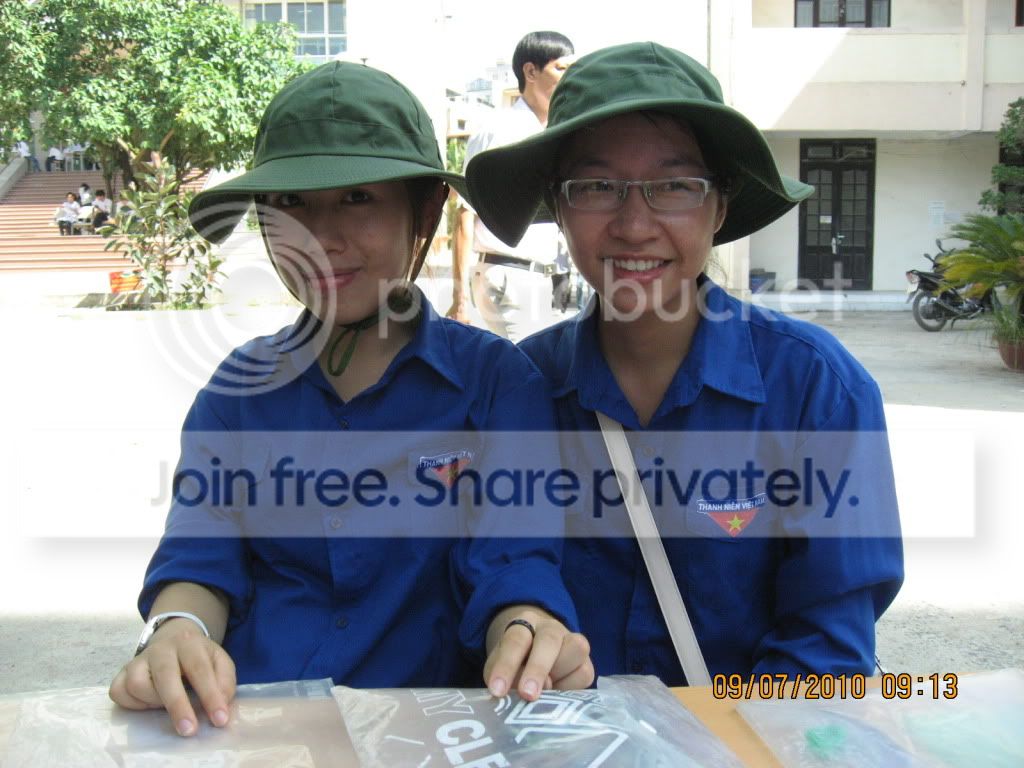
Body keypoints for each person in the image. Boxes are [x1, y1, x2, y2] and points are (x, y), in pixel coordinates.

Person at [108, 61, 592, 738]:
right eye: (292, 203)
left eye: (358, 198)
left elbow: (514, 560)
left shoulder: (497, 384)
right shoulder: (234, 394)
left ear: (425, 211)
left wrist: (527, 627)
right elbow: (201, 558)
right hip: (257, 732)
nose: (320, 239)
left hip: (429, 736)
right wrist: (177, 630)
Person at [466, 42, 904, 683]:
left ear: (720, 206)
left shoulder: (817, 390)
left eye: (674, 186)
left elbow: (828, 644)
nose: (634, 225)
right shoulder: (523, 387)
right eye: (597, 187)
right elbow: (510, 559)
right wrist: (521, 620)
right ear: (558, 209)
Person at [448, 31, 574, 341]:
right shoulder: (499, 132)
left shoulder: (555, 132)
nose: (570, 78)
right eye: (561, 68)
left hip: (544, 278)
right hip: (509, 276)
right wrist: (459, 299)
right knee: (529, 365)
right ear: (530, 71)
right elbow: (465, 215)